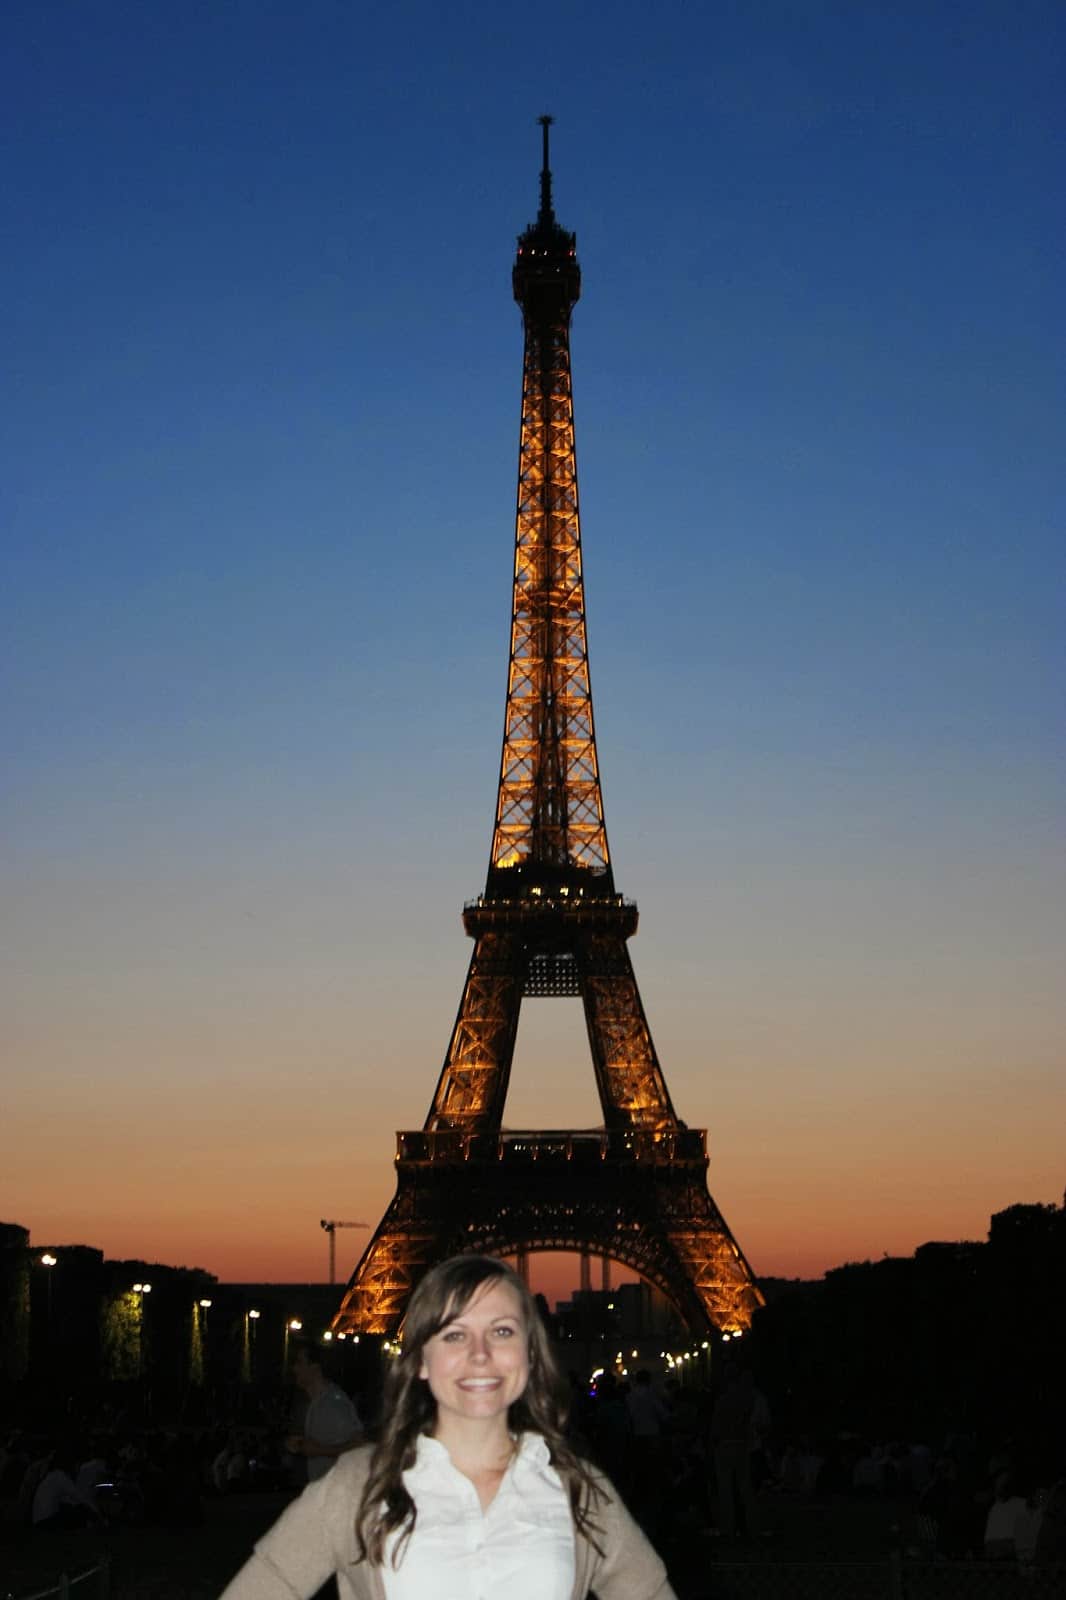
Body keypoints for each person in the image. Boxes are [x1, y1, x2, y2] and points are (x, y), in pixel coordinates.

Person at [220, 1254, 676, 1599]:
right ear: (420, 1359)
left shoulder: (581, 1491)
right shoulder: (356, 1489)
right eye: (454, 1334)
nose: (480, 1353)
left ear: (531, 1356)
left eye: (502, 1331)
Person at [288, 1339, 363, 1482]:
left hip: (336, 1493)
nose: (294, 1368)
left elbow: (359, 1444)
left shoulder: (333, 1403)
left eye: (299, 1362)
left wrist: (319, 1450)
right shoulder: (315, 1403)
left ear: (315, 1367)